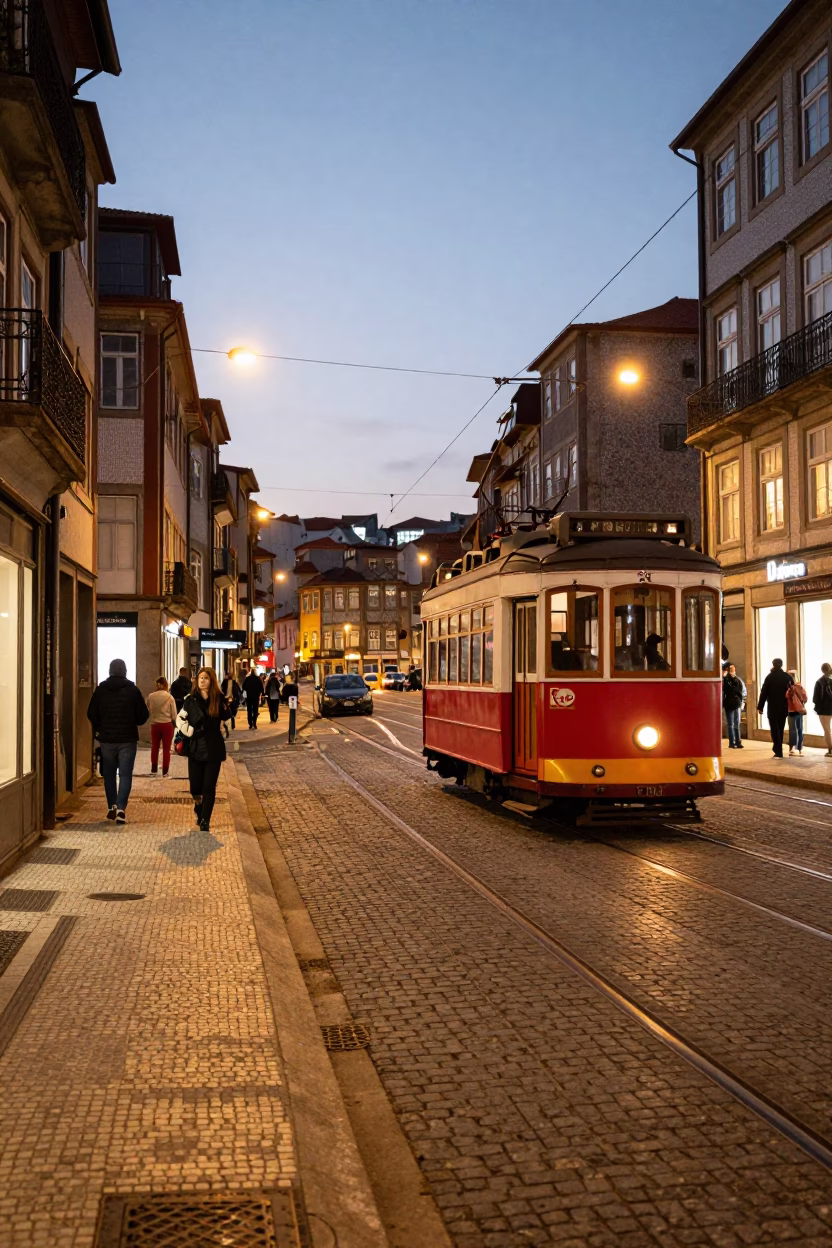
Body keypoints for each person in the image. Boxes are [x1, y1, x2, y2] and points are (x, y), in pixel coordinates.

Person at [87, 658, 149, 824]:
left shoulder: (101, 690)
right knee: (125, 774)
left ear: (110, 671)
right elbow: (143, 715)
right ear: (125, 671)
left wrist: (100, 727)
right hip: (127, 739)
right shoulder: (133, 690)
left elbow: (91, 713)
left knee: (108, 774)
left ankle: (111, 806)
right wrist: (132, 720)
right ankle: (121, 808)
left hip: (107, 739)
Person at [176, 668, 232, 832]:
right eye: (200, 678)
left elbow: (227, 719)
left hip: (214, 748)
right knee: (195, 788)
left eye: (206, 678)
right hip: (195, 748)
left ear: (211, 680)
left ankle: (205, 820)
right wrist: (189, 731)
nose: (202, 681)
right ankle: (199, 806)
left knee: (209, 787)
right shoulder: (190, 700)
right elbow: (180, 719)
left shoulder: (218, 699)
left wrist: (226, 722)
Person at [757, 658, 794, 758]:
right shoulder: (787, 677)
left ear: (773, 665)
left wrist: (760, 706)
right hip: (784, 706)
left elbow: (764, 692)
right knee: (780, 728)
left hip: (773, 707)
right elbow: (793, 692)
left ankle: (778, 750)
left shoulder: (770, 677)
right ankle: (778, 748)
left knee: (774, 729)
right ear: (781, 665)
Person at [146, 676, 177, 777]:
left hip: (154, 724)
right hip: (167, 725)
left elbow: (148, 710)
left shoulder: (150, 696)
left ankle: (154, 770)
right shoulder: (169, 697)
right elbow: (174, 714)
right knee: (166, 749)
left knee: (154, 747)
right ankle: (165, 772)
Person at [722, 663, 746, 749]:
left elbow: (743, 691)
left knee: (734, 724)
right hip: (732, 704)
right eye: (731, 670)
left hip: (735, 704)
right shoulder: (726, 680)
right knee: (732, 724)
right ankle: (733, 742)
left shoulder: (734, 680)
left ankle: (736, 742)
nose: (732, 671)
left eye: (733, 669)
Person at [786, 670, 809, 756]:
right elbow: (805, 699)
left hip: (791, 710)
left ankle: (792, 747)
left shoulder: (789, 688)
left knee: (792, 729)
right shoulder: (800, 687)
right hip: (799, 711)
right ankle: (800, 748)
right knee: (800, 729)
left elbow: (787, 696)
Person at [813, 662, 832, 756]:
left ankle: (830, 750)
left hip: (824, 710)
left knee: (827, 730)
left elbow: (815, 698)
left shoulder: (819, 682)